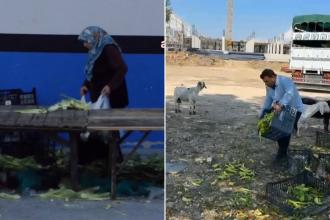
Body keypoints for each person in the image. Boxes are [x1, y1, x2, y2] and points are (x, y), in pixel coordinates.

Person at [78, 26, 129, 163]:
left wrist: (110, 86)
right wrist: (85, 85)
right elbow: (93, 72)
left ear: (94, 38)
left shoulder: (108, 49)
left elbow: (122, 69)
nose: (85, 45)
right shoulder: (95, 51)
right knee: (101, 131)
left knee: (111, 131)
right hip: (100, 95)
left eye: (86, 41)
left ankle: (115, 161)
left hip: (113, 96)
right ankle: (106, 160)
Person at [259, 69, 303, 165]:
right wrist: (262, 113)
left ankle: (282, 155)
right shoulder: (270, 87)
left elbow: (289, 94)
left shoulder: (285, 80)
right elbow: (268, 99)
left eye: (267, 81)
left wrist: (281, 104)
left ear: (273, 77)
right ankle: (282, 153)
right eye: (264, 82)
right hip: (282, 110)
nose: (266, 83)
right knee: (278, 129)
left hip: (294, 109)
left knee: (285, 131)